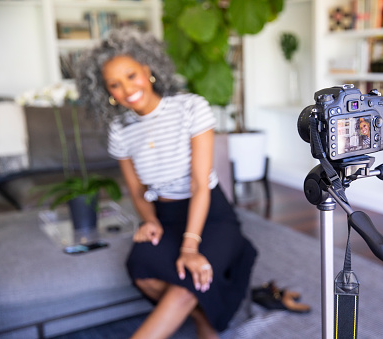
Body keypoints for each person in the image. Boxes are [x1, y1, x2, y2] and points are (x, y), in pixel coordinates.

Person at [75, 28, 257, 339]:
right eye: (115, 85)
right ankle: (204, 319)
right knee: (140, 266)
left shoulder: (191, 108)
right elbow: (136, 188)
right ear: (107, 92)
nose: (127, 89)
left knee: (189, 281)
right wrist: (148, 220)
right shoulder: (120, 130)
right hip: (165, 216)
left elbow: (200, 184)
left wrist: (190, 246)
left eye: (131, 76)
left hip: (210, 215)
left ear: (147, 71)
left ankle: (200, 315)